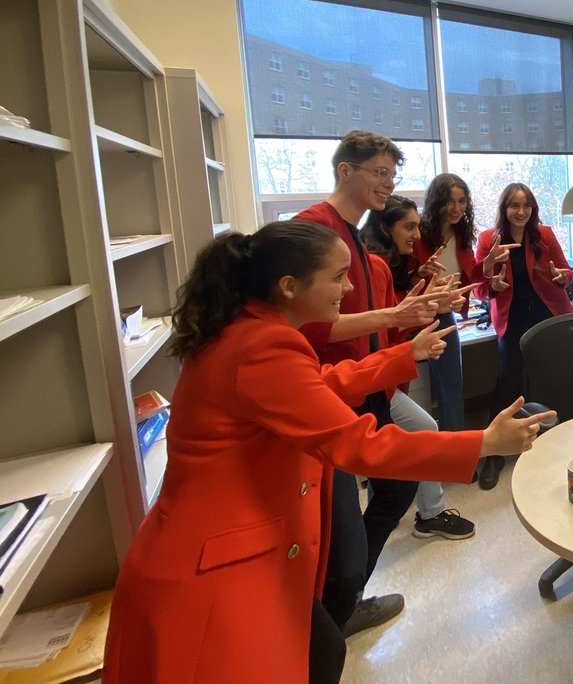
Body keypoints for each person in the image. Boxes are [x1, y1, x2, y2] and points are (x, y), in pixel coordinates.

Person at [102, 221, 549, 684]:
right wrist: (482, 443)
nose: (350, 286)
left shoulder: (250, 328)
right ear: (289, 286)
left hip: (223, 553)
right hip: (211, 570)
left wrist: (401, 355)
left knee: (322, 652)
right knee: (316, 655)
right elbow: (358, 444)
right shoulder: (261, 345)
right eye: (338, 276)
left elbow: (314, 387)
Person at [296, 132, 441, 639]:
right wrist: (396, 315)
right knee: (341, 544)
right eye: (380, 172)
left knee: (397, 485)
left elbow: (371, 321)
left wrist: (405, 319)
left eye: (393, 174)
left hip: (366, 388)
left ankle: (345, 601)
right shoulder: (315, 229)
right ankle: (334, 615)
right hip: (330, 399)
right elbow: (310, 326)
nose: (390, 182)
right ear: (346, 171)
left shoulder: (353, 235)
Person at [362, 196, 478, 536]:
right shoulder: (375, 266)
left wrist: (431, 298)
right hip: (371, 377)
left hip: (383, 375)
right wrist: (427, 304)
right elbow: (386, 325)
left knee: (387, 446)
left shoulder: (398, 262)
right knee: (421, 429)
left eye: (417, 226)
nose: (416, 234)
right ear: (386, 228)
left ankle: (425, 513)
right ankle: (428, 514)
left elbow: (398, 318)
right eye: (409, 227)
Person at [473, 183, 573, 489]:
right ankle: (493, 454)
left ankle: (553, 438)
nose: (521, 212)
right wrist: (493, 281)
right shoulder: (489, 239)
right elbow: (478, 288)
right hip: (512, 318)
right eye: (514, 206)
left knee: (551, 377)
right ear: (504, 209)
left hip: (547, 314)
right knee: (508, 381)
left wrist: (562, 277)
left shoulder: (543, 235)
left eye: (526, 205)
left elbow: (566, 273)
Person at [412, 173, 516, 433]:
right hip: (413, 316)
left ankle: (456, 452)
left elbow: (471, 276)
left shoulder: (460, 235)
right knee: (413, 392)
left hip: (444, 316)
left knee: (452, 385)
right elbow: (406, 279)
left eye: (462, 201)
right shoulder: (418, 235)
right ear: (436, 201)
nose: (456, 208)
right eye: (450, 201)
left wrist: (490, 261)